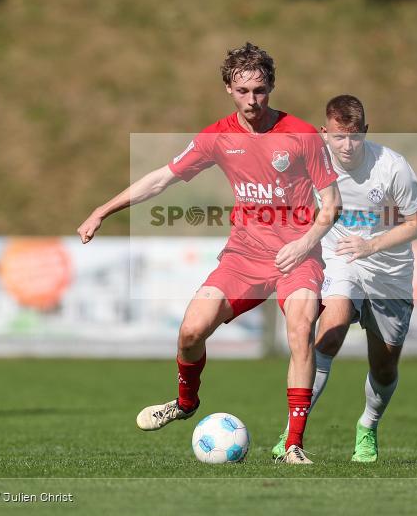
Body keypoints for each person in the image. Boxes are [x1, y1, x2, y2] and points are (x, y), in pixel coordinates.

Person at [77, 43, 341, 465]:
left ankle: (293, 445)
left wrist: (305, 242)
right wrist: (103, 210)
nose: (253, 100)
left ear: (271, 85)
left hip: (297, 256)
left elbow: (331, 205)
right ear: (228, 89)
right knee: (190, 331)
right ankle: (185, 403)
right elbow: (161, 179)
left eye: (260, 90)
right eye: (243, 91)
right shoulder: (218, 137)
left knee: (300, 332)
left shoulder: (303, 135)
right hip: (244, 256)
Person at [271, 94, 417, 462]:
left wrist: (372, 246)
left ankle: (368, 426)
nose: (347, 145)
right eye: (339, 137)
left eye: (355, 137)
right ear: (325, 133)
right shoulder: (312, 161)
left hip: (389, 269)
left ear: (365, 132)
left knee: (385, 364)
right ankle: (294, 432)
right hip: (339, 259)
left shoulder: (391, 167)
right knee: (331, 328)